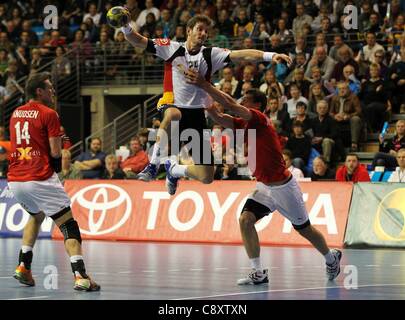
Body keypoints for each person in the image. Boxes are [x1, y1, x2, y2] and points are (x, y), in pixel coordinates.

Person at [184, 69, 342, 284]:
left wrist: (204, 84)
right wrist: (201, 98)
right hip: (265, 187)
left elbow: (230, 106)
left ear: (256, 105)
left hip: (284, 188)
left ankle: (331, 258)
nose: (242, 100)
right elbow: (219, 115)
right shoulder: (244, 124)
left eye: (246, 99)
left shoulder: (259, 118)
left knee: (305, 229)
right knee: (245, 219)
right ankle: (258, 272)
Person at [119, 13, 291, 195]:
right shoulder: (170, 48)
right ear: (188, 31)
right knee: (174, 114)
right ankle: (153, 165)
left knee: (207, 176)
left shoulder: (210, 55)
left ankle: (174, 169)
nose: (203, 34)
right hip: (171, 103)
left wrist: (270, 55)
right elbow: (137, 40)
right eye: (199, 29)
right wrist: (125, 26)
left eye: (206, 31)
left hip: (196, 115)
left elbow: (241, 55)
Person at [7, 72, 99, 291]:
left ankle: (23, 266)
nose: (53, 91)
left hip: (16, 179)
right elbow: (56, 152)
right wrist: (56, 164)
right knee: (68, 224)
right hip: (39, 177)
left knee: (36, 216)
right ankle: (81, 276)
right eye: (49, 87)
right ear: (39, 91)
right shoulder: (49, 114)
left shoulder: (15, 113)